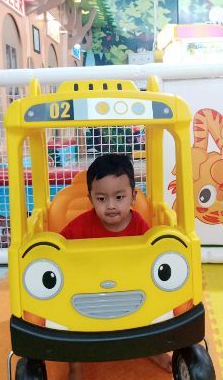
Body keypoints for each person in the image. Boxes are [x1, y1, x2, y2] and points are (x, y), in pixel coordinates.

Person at [59, 153, 172, 380]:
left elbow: (151, 257)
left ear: (133, 196)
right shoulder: (79, 227)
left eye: (119, 197)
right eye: (101, 199)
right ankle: (75, 365)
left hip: (129, 291)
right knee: (70, 322)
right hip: (89, 294)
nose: (111, 206)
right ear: (90, 199)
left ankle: (153, 349)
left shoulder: (140, 226)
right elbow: (58, 251)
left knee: (151, 311)